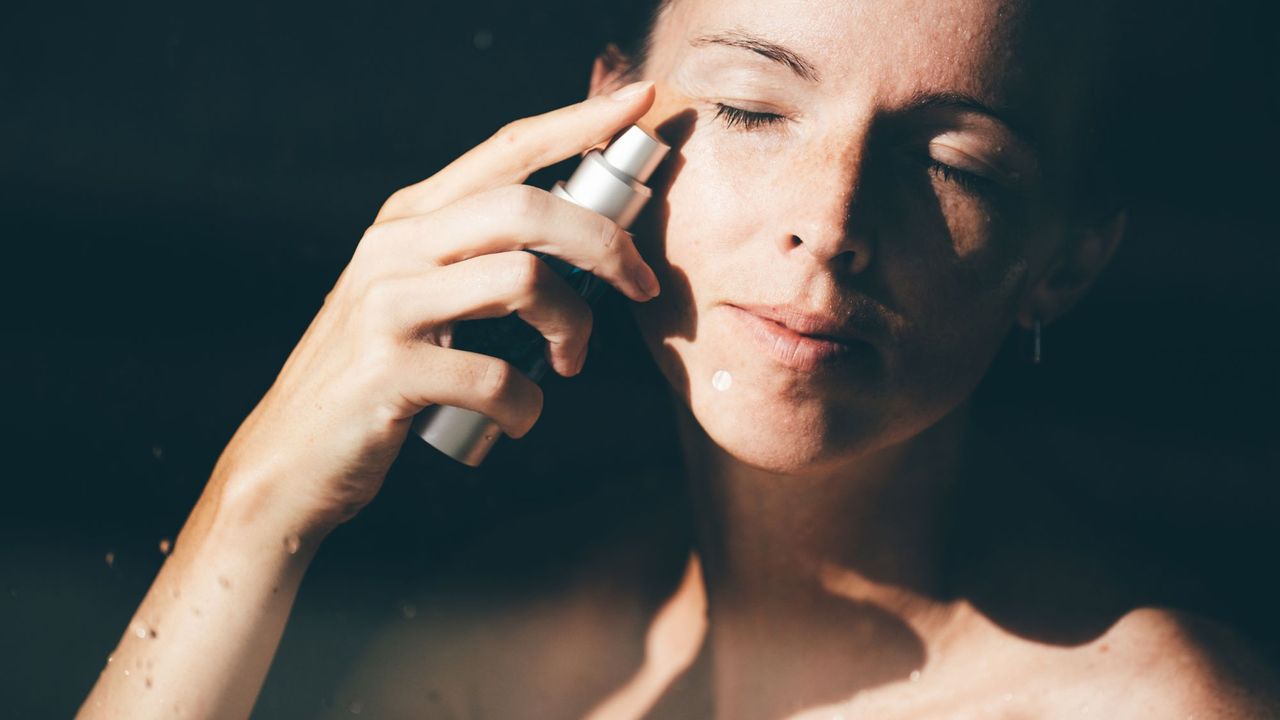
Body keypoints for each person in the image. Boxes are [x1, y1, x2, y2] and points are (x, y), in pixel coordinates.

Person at [78, 0, 1280, 717]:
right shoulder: (523, 635)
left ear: (1061, 260)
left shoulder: (1148, 707)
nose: (834, 221)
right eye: (755, 111)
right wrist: (256, 504)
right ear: (614, 122)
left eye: (956, 165)